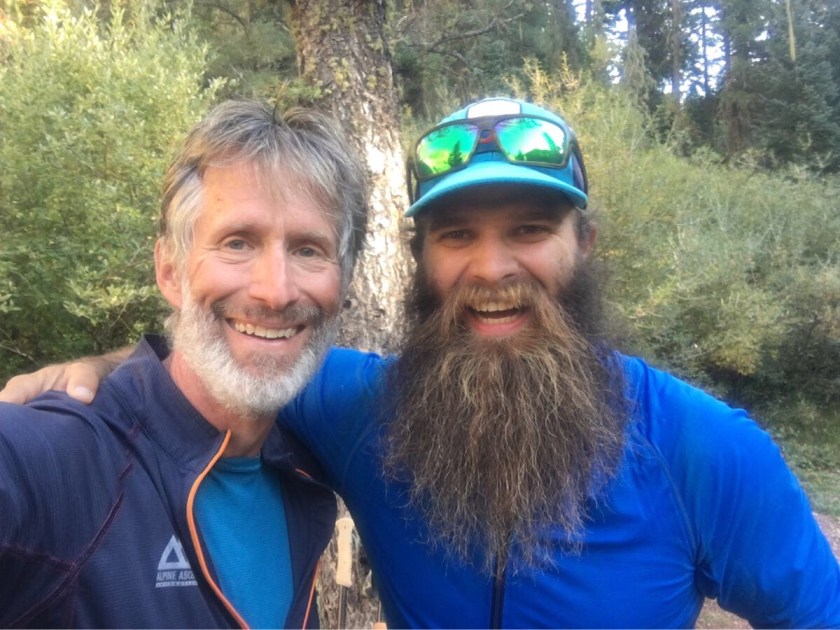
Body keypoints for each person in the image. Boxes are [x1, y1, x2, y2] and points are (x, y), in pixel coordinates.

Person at [4, 98, 839, 627]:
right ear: (420, 260)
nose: (492, 267)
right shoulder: (359, 406)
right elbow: (226, 360)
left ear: (584, 244)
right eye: (457, 235)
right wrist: (105, 367)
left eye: (529, 230)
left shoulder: (702, 447)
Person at [0, 99, 368, 628]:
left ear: (344, 282)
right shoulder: (63, 457)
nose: (276, 291)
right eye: (238, 243)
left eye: (309, 250)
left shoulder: (311, 453)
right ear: (171, 271)